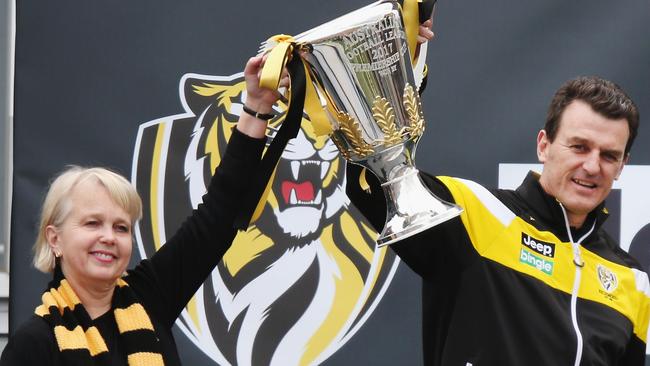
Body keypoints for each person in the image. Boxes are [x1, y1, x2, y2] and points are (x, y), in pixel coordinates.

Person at [0, 54, 282, 366]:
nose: (109, 237)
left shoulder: (150, 295)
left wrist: (257, 104)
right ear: (54, 239)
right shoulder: (33, 344)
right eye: (92, 223)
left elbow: (219, 213)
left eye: (121, 227)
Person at [346, 76, 649, 365]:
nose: (592, 166)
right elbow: (376, 182)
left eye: (609, 155)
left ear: (622, 166)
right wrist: (409, 60)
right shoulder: (477, 214)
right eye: (579, 147)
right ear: (544, 145)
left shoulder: (630, 280)